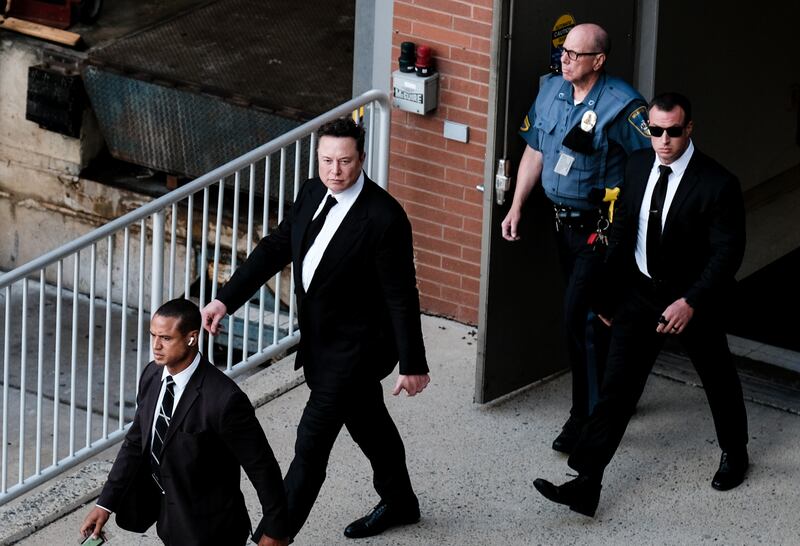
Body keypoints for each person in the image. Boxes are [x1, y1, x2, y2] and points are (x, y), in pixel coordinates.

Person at [201, 117, 430, 540]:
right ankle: (401, 501)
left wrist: (413, 363)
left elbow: (402, 294)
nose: (334, 171)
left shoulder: (384, 218)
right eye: (327, 160)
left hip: (354, 353)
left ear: (361, 159)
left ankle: (273, 538)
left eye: (344, 162)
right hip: (321, 346)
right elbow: (275, 248)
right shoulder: (311, 192)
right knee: (372, 427)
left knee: (309, 448)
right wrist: (225, 299)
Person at [533, 92, 749, 517]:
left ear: (689, 129)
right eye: (655, 131)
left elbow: (727, 254)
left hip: (692, 301)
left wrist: (690, 302)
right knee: (616, 390)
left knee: (718, 378)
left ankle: (735, 454)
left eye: (672, 131)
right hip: (639, 294)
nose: (663, 140)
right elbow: (623, 232)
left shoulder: (717, 184)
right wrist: (609, 296)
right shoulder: (636, 166)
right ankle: (587, 482)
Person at [501, 23, 651, 453]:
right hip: (561, 225)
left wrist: (631, 228)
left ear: (598, 61)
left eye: (574, 55)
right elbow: (535, 149)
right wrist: (516, 206)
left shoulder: (623, 106)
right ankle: (618, 390)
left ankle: (584, 418)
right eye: (563, 52)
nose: (564, 60)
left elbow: (650, 165)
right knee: (599, 314)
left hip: (599, 230)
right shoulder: (552, 90)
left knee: (580, 318)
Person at [79, 298, 289, 545]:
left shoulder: (225, 400)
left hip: (212, 531)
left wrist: (275, 531)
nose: (156, 346)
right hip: (168, 520)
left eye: (166, 338)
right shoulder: (152, 375)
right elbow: (136, 443)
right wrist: (105, 503)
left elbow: (262, 467)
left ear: (191, 338)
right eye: (153, 335)